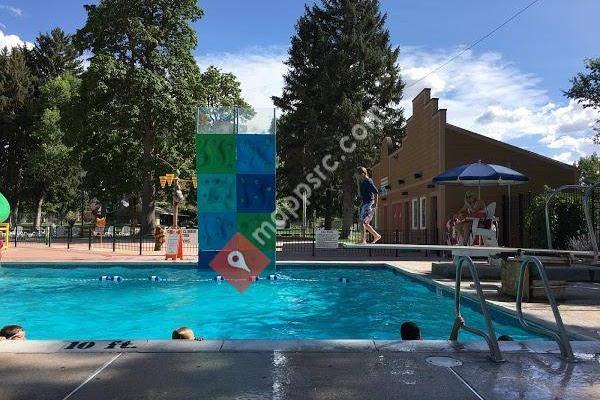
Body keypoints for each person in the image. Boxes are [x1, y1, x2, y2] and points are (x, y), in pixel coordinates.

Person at [356, 166, 381, 244]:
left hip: (369, 203)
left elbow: (376, 192)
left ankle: (363, 240)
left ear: (363, 174)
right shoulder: (363, 182)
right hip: (365, 203)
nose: (357, 177)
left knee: (362, 221)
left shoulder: (368, 181)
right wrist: (358, 182)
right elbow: (360, 194)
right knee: (365, 223)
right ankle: (376, 235)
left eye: (358, 175)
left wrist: (375, 204)